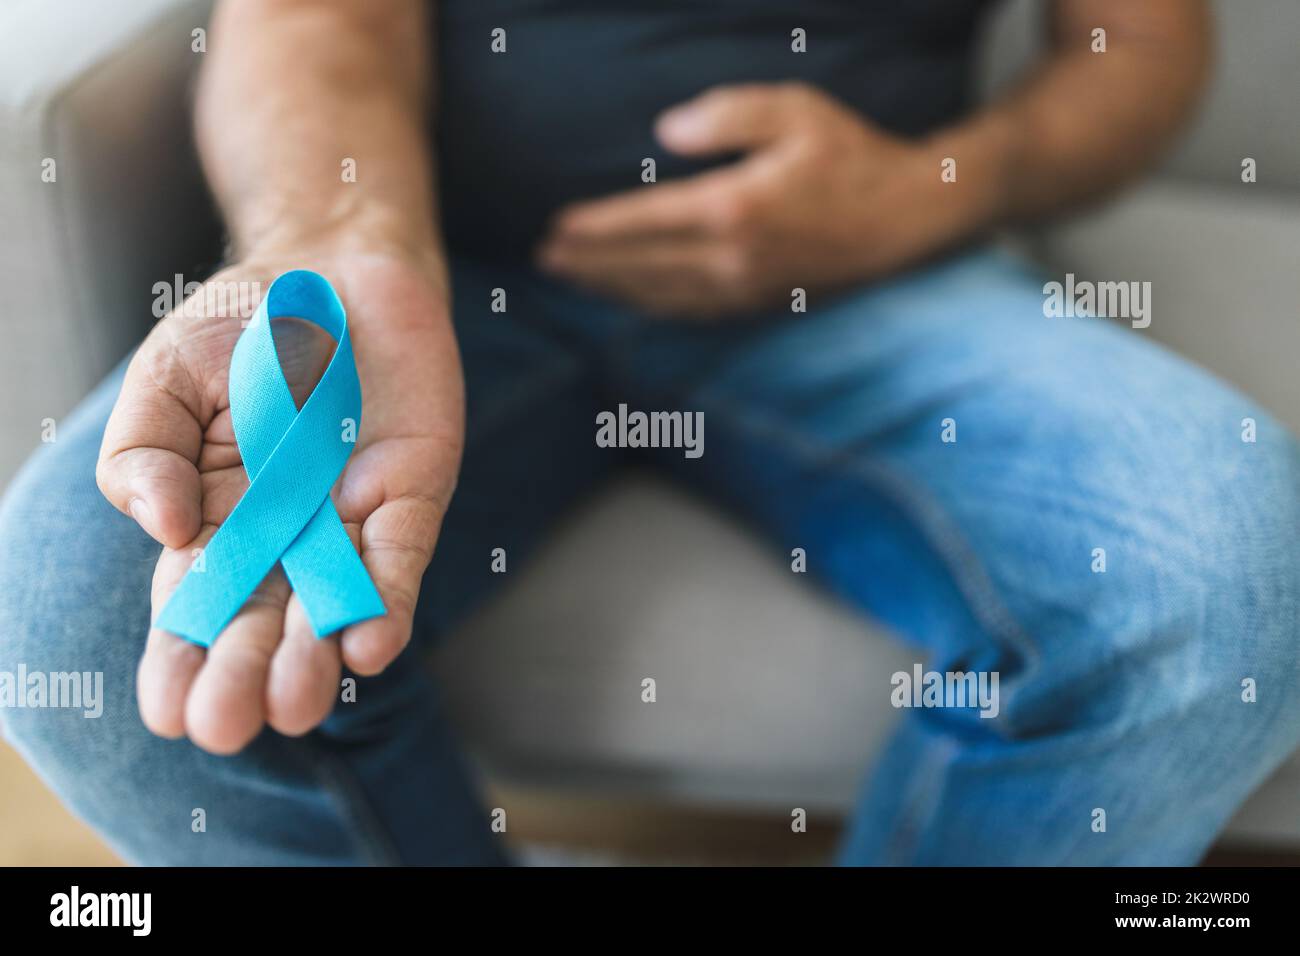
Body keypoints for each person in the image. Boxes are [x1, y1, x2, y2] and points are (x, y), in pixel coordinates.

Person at [2, 0, 1296, 866]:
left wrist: (932, 187)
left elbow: (1137, 47)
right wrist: (340, 243)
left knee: (1228, 575)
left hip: (887, 273)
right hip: (441, 283)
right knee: (82, 606)